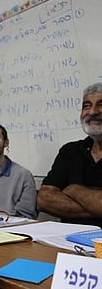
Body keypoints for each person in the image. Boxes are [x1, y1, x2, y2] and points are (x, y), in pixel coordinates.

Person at [37, 83, 102, 227]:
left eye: (100, 104)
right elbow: (43, 199)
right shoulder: (70, 151)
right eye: (86, 105)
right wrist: (95, 205)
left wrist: (73, 189)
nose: (92, 112)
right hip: (69, 241)